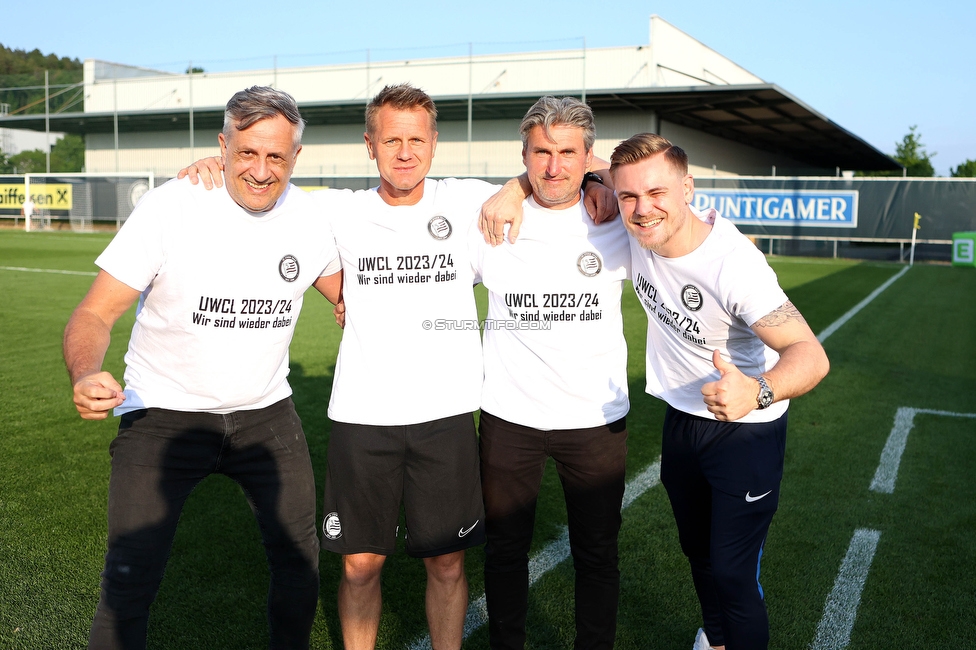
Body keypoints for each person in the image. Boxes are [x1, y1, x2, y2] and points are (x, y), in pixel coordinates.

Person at [178, 83, 618, 650]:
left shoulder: (470, 204)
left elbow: (558, 167)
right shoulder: (337, 210)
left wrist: (577, 179)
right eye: (391, 139)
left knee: (447, 564)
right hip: (363, 416)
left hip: (448, 416)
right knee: (360, 566)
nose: (404, 152)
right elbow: (260, 186)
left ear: (435, 144)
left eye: (417, 139)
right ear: (370, 145)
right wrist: (213, 163)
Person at [63, 86, 342, 650]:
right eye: (246, 153)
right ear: (222, 145)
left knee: (299, 566)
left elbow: (350, 300)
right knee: (129, 580)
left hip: (266, 415)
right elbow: (93, 313)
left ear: (295, 158)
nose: (262, 171)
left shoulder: (310, 218)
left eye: (276, 157)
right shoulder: (172, 206)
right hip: (162, 416)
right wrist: (84, 373)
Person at [608, 133, 830, 650]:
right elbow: (573, 163)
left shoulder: (734, 265)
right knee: (698, 552)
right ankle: (718, 639)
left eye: (657, 193)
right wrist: (513, 187)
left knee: (733, 571)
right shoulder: (637, 221)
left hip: (744, 430)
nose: (642, 210)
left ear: (688, 188)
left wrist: (759, 391)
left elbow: (810, 354)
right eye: (628, 196)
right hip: (683, 419)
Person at [471, 96, 631, 650]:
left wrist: (609, 180)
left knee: (596, 553)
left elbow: (676, 204)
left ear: (589, 156)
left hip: (595, 421)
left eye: (568, 153)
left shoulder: (618, 217)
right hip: (509, 417)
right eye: (541, 152)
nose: (554, 166)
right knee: (505, 550)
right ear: (524, 154)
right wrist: (513, 189)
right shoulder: (490, 217)